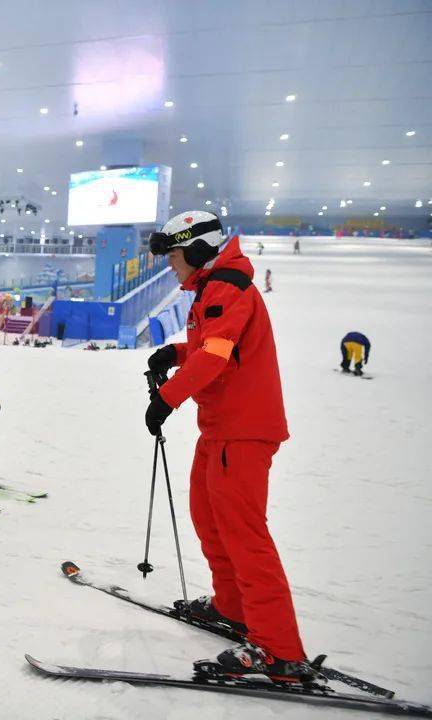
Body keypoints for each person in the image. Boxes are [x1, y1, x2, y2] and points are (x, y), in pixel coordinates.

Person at [144, 210, 308, 680]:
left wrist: (167, 399)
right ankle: (234, 608)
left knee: (244, 536)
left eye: (174, 256)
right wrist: (173, 354)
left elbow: (216, 355)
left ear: (196, 251)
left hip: (243, 430)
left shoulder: (226, 287)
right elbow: (216, 346)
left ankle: (278, 649)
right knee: (210, 519)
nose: (171, 266)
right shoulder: (213, 290)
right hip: (220, 429)